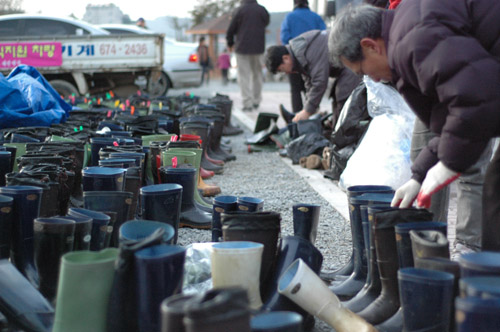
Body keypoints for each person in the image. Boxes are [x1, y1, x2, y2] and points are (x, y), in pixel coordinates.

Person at [328, 1, 500, 252]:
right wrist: (419, 174)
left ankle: (486, 280)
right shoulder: (406, 32)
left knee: (495, 192)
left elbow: (474, 99)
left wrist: (448, 165)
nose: (372, 79)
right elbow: (449, 119)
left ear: (370, 46)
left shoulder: (415, 41)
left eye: (362, 69)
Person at [265, 30, 361, 125]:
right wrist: (307, 109)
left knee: (343, 96)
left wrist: (307, 111)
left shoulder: (308, 52)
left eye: (281, 70)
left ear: (285, 58)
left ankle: (347, 135)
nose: (285, 73)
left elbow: (319, 82)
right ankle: (335, 128)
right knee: (337, 98)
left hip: (352, 63)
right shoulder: (298, 53)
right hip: (344, 65)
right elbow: (309, 83)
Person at [280, 0, 326, 115]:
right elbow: (325, 34)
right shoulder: (315, 17)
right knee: (312, 88)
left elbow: (284, 38)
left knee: (295, 90)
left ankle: (297, 116)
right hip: (314, 60)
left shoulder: (289, 17)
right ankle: (313, 114)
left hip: (293, 59)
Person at [226, 0, 270, 112]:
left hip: (242, 47)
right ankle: (256, 100)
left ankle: (247, 103)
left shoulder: (239, 10)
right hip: (259, 47)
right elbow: (266, 22)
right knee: (257, 75)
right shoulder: (262, 9)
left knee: (244, 76)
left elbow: (231, 28)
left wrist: (230, 42)